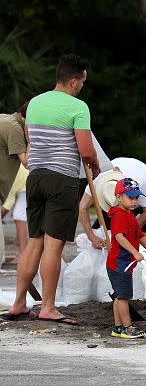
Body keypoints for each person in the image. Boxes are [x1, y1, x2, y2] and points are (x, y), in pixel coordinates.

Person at [4, 54, 99, 324]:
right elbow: (85, 149)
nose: (82, 86)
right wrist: (94, 164)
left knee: (34, 241)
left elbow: (33, 140)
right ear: (72, 81)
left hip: (35, 176)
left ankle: (19, 303)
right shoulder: (78, 107)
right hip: (61, 179)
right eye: (82, 81)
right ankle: (47, 307)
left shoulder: (34, 103)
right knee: (53, 245)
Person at [107, 177, 146, 339]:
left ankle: (118, 328)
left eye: (136, 197)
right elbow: (119, 237)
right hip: (119, 264)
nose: (134, 201)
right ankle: (128, 328)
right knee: (123, 298)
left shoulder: (130, 215)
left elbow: (140, 235)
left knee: (119, 296)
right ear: (119, 197)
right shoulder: (119, 215)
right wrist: (134, 252)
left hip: (124, 264)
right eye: (130, 197)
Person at [79, 157, 146, 251]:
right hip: (118, 194)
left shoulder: (139, 181)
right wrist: (92, 237)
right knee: (101, 234)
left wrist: (130, 232)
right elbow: (82, 207)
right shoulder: (97, 181)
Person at [0, 102, 28, 268]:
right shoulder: (16, 129)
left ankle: (23, 253)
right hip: (23, 185)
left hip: (23, 186)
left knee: (19, 216)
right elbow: (27, 162)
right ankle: (24, 254)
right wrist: (31, 138)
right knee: (19, 216)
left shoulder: (4, 118)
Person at [1, 165, 29, 263]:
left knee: (19, 215)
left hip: (26, 183)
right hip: (23, 179)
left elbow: (8, 204)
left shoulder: (7, 180)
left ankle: (23, 255)